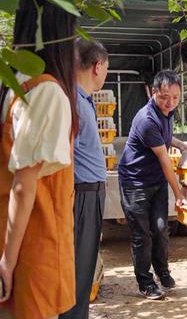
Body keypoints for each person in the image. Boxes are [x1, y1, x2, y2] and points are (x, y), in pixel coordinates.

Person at [0, 0, 78, 318]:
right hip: (35, 246)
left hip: (8, 239)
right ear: (61, 33)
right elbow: (23, 183)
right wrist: (8, 262)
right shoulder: (47, 92)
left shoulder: (0, 81)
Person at [118, 70, 187, 300]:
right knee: (143, 235)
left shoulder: (166, 111)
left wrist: (181, 145)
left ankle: (163, 272)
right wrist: (179, 193)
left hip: (156, 181)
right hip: (135, 182)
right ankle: (145, 283)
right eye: (165, 96)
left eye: (176, 97)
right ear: (153, 93)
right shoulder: (146, 119)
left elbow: (165, 137)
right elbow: (164, 159)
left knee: (161, 229)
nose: (170, 103)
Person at [59, 39, 109, 319]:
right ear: (97, 66)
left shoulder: (83, 101)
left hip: (90, 194)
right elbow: (64, 157)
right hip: (81, 195)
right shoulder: (74, 102)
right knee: (77, 270)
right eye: (106, 69)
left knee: (85, 265)